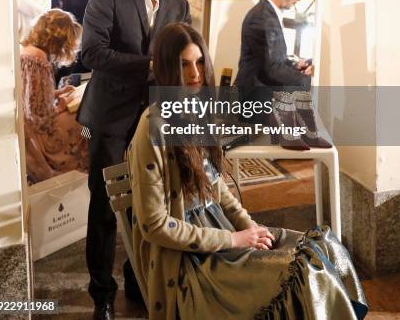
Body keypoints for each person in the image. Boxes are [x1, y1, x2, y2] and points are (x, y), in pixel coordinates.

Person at [127, 22, 367, 320]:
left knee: (325, 246)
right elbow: (154, 225)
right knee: (306, 271)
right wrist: (235, 240)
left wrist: (251, 229)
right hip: (190, 266)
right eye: (184, 65)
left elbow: (218, 192)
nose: (195, 74)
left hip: (224, 240)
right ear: (165, 69)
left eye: (200, 62)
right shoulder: (150, 130)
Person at [78, 0, 191, 320]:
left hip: (153, 119)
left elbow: (181, 63)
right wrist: (149, 65)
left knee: (147, 204)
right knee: (106, 208)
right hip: (109, 115)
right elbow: (91, 52)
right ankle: (101, 296)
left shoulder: (179, 5)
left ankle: (137, 280)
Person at [236, 0, 329, 149]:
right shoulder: (262, 17)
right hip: (256, 92)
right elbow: (271, 69)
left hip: (262, 85)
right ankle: (301, 135)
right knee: (303, 86)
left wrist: (295, 65)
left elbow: (273, 59)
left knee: (301, 86)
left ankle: (306, 134)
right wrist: (308, 80)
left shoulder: (267, 13)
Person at [20, 9, 88, 183]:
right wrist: (62, 104)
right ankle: (86, 173)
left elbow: (32, 96)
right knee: (86, 121)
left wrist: (57, 93)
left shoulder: (28, 52)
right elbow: (38, 117)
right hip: (42, 136)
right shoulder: (38, 59)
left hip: (34, 129)